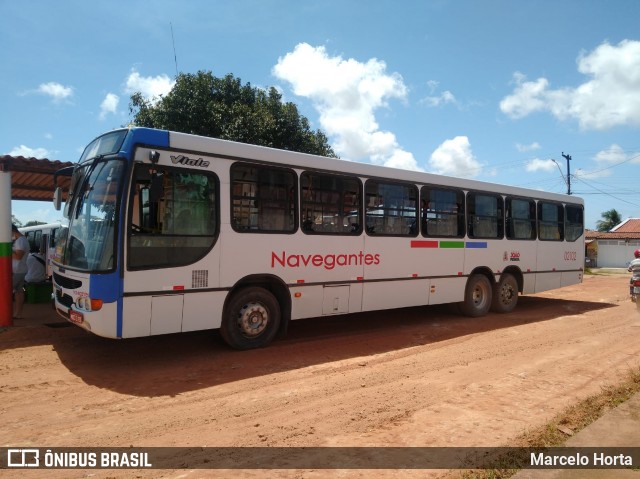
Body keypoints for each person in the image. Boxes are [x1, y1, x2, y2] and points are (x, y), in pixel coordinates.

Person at [11, 224, 29, 319]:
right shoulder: (20, 240)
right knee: (19, 292)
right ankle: (17, 314)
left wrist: (6, 249)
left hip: (16, 270)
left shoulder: (20, 241)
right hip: (19, 270)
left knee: (5, 291)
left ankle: (8, 314)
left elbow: (18, 256)